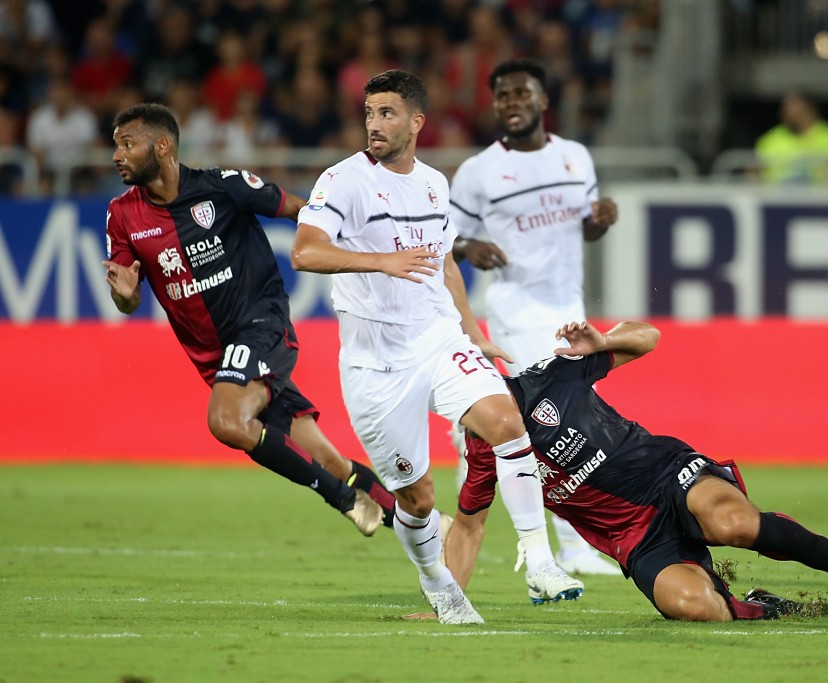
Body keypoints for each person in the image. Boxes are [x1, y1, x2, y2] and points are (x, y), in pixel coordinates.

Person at [289, 69, 582, 625]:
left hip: (436, 338)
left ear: (416, 121)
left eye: (387, 113)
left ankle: (541, 561)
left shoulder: (433, 183)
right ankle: (440, 587)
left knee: (507, 421)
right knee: (417, 499)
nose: (374, 124)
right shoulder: (343, 180)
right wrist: (380, 261)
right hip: (375, 365)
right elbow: (304, 252)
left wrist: (472, 332)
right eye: (370, 113)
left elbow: (444, 261)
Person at [445, 320, 828, 623]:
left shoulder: (555, 376)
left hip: (670, 477)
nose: (472, 416)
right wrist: (446, 601)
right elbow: (469, 525)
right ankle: (760, 605)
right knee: (697, 609)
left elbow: (650, 338)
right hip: (634, 538)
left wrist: (605, 338)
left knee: (735, 525)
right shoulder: (485, 451)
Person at [102, 103, 394, 543]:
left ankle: (343, 499)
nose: (116, 155)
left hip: (260, 323)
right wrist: (125, 297)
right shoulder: (122, 214)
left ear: (161, 146)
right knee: (329, 458)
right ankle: (427, 525)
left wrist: (365, 251)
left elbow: (300, 210)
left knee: (226, 421)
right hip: (216, 360)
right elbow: (127, 296)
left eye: (127, 144)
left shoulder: (224, 188)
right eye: (115, 145)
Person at [449, 58, 620, 576]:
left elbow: (585, 228)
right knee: (549, 424)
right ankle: (562, 550)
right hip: (514, 311)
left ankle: (566, 544)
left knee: (566, 425)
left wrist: (600, 222)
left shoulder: (575, 157)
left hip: (567, 309)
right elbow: (441, 240)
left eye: (521, 93)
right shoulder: (479, 172)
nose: (511, 103)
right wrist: (468, 245)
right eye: (502, 96)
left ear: (544, 101)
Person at [754, 89, 828, 184]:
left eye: (795, 107)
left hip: (823, 197)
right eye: (785, 109)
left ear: (810, 109)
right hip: (780, 197)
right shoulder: (769, 140)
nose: (787, 113)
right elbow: (755, 173)